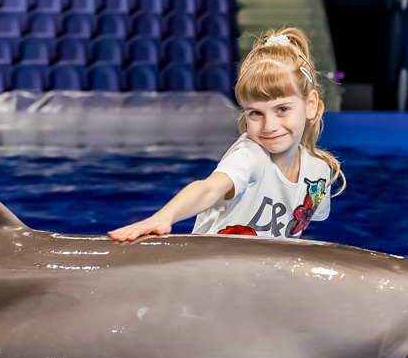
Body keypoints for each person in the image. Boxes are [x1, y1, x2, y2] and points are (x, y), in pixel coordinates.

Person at [109, 27, 345, 241]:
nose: (269, 125)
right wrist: (164, 217)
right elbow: (208, 189)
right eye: (255, 113)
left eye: (282, 109)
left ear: (310, 104)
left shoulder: (318, 174)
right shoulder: (250, 157)